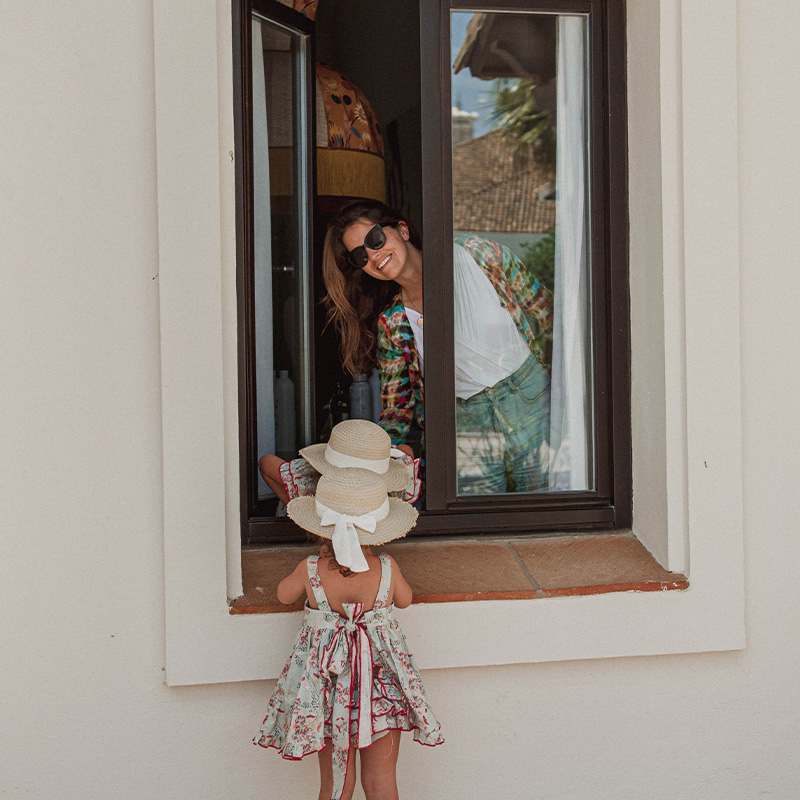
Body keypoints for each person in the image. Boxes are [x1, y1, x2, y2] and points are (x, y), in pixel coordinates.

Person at [322, 199, 553, 495]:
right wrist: (378, 462)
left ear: (402, 230)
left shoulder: (475, 254)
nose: (372, 254)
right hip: (465, 426)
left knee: (545, 512)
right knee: (476, 524)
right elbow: (397, 411)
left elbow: (547, 315)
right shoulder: (393, 323)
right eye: (359, 256)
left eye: (374, 239)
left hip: (531, 401)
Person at [253, 467, 444, 800]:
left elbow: (284, 594)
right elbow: (406, 599)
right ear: (377, 529)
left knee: (336, 783)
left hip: (328, 690)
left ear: (320, 527)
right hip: (380, 690)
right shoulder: (386, 567)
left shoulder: (311, 569)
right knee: (381, 782)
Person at [258, 418, 421, 508]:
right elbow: (406, 450)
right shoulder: (398, 492)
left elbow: (265, 463)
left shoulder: (312, 485)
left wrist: (296, 503)